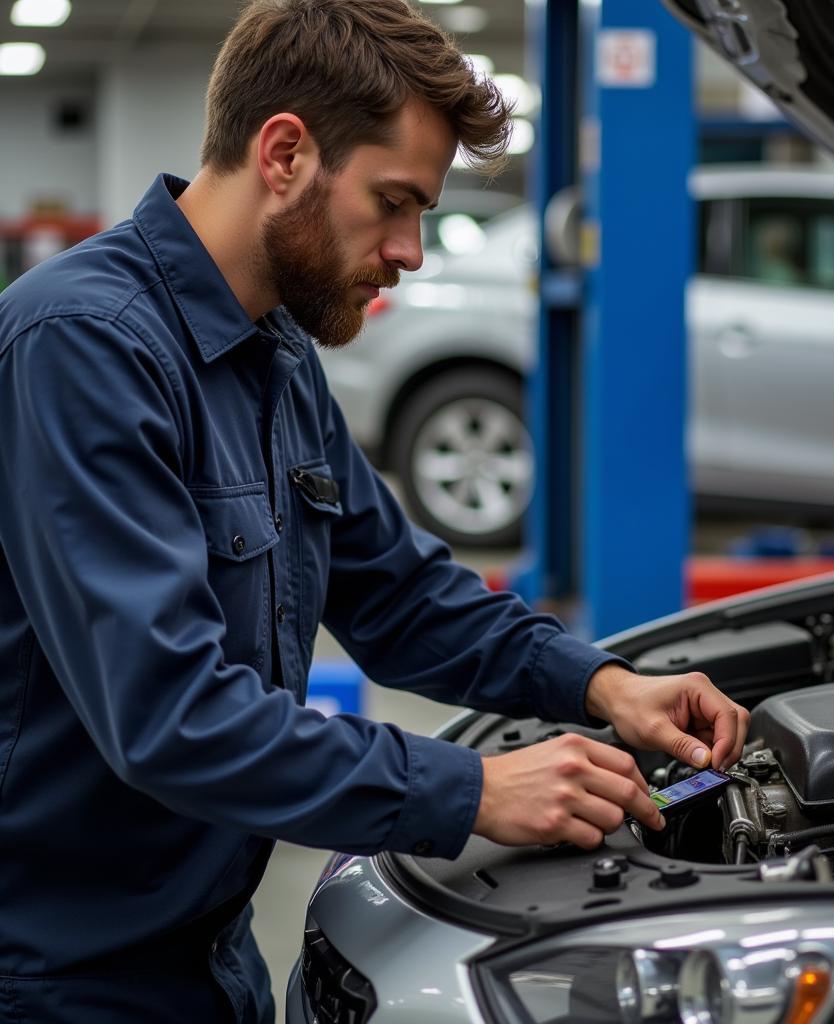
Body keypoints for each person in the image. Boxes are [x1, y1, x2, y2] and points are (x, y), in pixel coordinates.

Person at [0, 2, 750, 1021]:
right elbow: (168, 714)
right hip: (58, 980)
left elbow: (400, 597)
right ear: (283, 152)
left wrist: (606, 684)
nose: (410, 250)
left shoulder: (276, 353)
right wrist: (474, 791)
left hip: (206, 957)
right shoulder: (81, 346)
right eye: (393, 201)